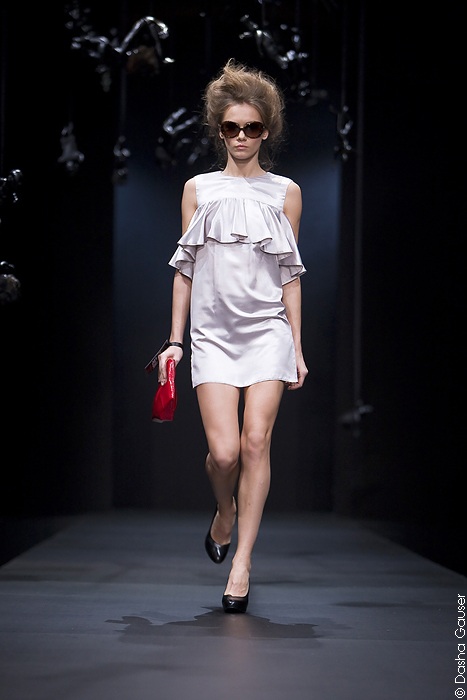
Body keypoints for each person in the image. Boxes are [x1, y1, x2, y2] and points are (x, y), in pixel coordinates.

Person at [157, 58, 308, 614]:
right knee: (223, 455)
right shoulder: (197, 189)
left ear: (267, 131)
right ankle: (225, 512)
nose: (242, 136)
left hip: (267, 330)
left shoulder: (285, 192)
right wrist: (175, 341)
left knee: (254, 443)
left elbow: (290, 274)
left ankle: (242, 561)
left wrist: (297, 347)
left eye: (252, 127)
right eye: (232, 127)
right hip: (213, 333)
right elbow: (185, 269)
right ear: (218, 130)